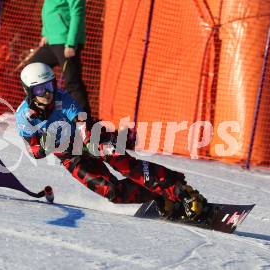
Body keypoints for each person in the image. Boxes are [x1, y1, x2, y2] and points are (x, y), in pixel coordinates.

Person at [15, 63, 207, 221]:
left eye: (50, 86)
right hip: (70, 156)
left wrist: (90, 140)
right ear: (29, 91)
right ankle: (159, 195)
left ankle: (182, 192)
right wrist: (45, 145)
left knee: (121, 162)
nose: (47, 93)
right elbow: (34, 151)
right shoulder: (23, 117)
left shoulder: (62, 99)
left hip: (91, 137)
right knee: (112, 192)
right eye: (40, 89)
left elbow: (81, 121)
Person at [27, 0, 91, 114]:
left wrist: (71, 43)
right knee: (32, 71)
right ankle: (42, 112)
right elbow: (49, 9)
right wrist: (45, 34)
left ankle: (85, 123)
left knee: (72, 82)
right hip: (52, 40)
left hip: (66, 42)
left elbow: (77, 13)